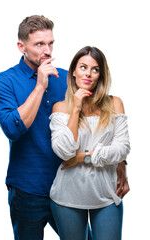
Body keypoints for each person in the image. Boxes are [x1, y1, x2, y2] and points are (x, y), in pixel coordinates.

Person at [0, 15, 129, 240]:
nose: (47, 50)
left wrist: (120, 164)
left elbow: (100, 125)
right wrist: (40, 85)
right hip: (28, 189)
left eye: (50, 43)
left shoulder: (67, 77)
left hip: (70, 186)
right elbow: (12, 130)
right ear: (21, 46)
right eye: (39, 44)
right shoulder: (4, 81)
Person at [49, 46, 130, 240]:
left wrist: (83, 157)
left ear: (101, 75)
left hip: (106, 196)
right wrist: (75, 109)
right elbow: (65, 152)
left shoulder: (114, 103)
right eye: (83, 67)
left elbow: (122, 148)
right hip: (67, 197)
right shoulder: (61, 107)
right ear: (74, 72)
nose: (89, 74)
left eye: (95, 69)